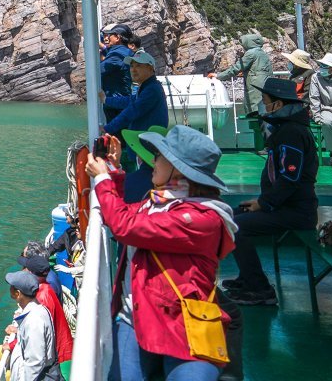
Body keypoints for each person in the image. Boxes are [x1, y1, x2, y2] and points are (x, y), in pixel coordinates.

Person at [86, 125, 236, 381]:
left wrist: (101, 180)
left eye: (160, 155)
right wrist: (114, 172)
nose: (153, 160)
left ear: (179, 169)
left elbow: (126, 226)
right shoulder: (159, 203)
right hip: (138, 317)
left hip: (185, 327)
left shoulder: (202, 219)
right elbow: (125, 215)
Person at [223, 77, 318, 306]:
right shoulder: (287, 129)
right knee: (228, 217)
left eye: (266, 101)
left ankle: (260, 289)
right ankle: (248, 278)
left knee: (236, 226)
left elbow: (289, 178)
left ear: (278, 105)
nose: (263, 106)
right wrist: (263, 201)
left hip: (297, 212)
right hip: (283, 206)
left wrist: (264, 204)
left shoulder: (292, 133)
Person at [102, 50, 169, 202]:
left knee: (143, 181)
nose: (133, 69)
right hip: (143, 145)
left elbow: (133, 111)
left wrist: (108, 129)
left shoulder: (152, 89)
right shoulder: (145, 87)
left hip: (147, 148)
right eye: (132, 66)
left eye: (139, 65)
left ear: (151, 69)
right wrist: (107, 100)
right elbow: (129, 102)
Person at [3, 269, 65, 381]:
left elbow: (35, 362)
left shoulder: (34, 321)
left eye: (11, 286)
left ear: (18, 293)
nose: (9, 288)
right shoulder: (37, 310)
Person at [19, 254, 74, 368]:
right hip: (63, 351)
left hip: (60, 357)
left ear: (32, 274)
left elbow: (38, 331)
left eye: (26, 270)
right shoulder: (47, 288)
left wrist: (12, 343)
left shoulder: (42, 297)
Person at [211, 34, 273, 118]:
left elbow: (236, 68)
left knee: (254, 109)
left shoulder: (251, 53)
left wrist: (218, 76)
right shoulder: (261, 53)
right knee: (263, 106)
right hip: (265, 84)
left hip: (255, 85)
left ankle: (256, 125)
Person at [100, 24, 135, 123]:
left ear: (117, 37)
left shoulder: (117, 55)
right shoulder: (125, 51)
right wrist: (102, 48)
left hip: (116, 104)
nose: (106, 37)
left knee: (117, 134)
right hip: (122, 100)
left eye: (110, 35)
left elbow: (98, 71)